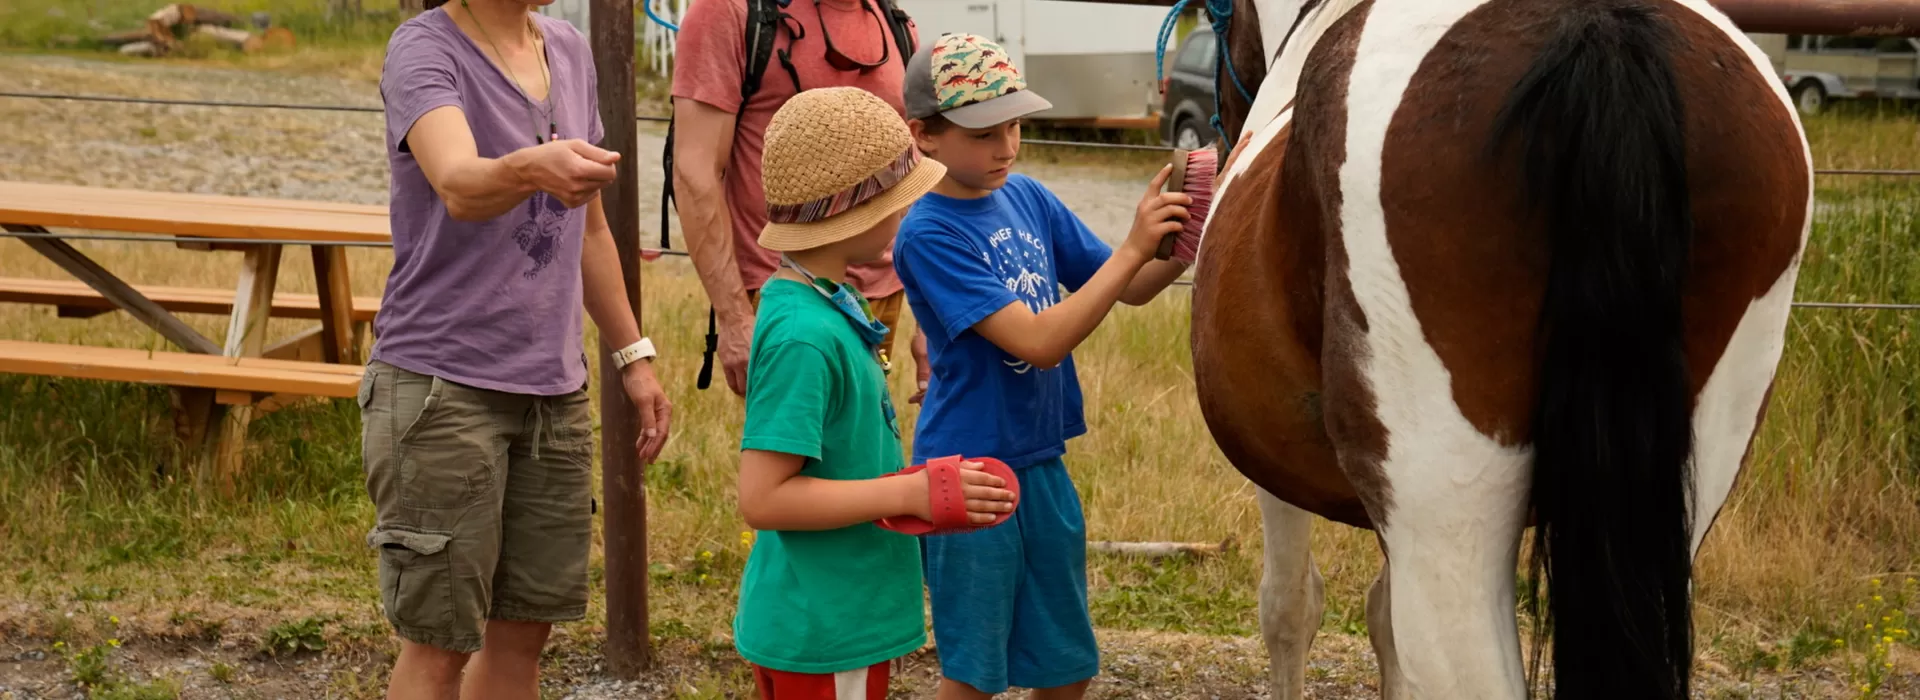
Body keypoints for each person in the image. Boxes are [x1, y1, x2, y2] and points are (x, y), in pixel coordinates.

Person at [364, 0, 672, 697]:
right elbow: (458, 184)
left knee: (524, 634)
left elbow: (591, 231)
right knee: (438, 643)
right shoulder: (423, 48)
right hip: (440, 389)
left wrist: (634, 356)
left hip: (554, 394)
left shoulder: (566, 48)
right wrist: (533, 167)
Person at [890, 33, 1197, 700]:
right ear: (924, 135)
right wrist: (1133, 245)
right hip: (966, 474)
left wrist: (1191, 227)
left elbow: (1136, 285)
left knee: (1067, 665)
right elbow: (1037, 341)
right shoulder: (927, 233)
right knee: (974, 674)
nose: (1005, 147)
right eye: (983, 133)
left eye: (1015, 126)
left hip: (1041, 460)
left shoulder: (1027, 196)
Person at [732, 86, 1018, 700]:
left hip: (835, 617)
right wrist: (908, 489)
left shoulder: (827, 304)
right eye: (899, 199)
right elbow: (763, 498)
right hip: (826, 628)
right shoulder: (805, 336)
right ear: (860, 210)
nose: (906, 212)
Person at [670, 0, 932, 401]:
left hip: (881, 293)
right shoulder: (731, 11)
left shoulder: (891, 19)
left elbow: (915, 173)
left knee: (862, 450)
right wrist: (735, 317)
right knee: (787, 456)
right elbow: (695, 171)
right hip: (784, 292)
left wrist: (930, 318)